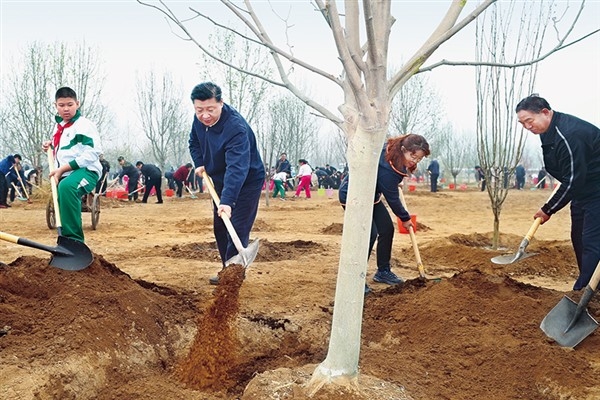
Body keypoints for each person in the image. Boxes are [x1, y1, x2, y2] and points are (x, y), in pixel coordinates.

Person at [515, 94, 600, 291]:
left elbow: (573, 180)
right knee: (578, 237)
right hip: (584, 191)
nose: (527, 127)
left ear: (545, 112)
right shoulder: (548, 131)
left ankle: (584, 293)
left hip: (596, 189)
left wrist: (548, 209)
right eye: (522, 123)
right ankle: (592, 287)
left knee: (591, 241)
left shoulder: (569, 134)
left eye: (529, 121)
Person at [188, 82, 264, 285]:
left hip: (246, 181)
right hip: (220, 180)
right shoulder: (199, 122)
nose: (205, 115)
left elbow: (237, 167)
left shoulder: (235, 128)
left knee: (236, 226)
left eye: (210, 109)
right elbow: (194, 142)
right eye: (199, 110)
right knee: (221, 228)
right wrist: (200, 163)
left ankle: (233, 277)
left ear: (221, 103)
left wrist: (228, 201)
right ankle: (227, 269)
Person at [339, 134, 431, 293]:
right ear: (403, 149)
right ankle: (355, 278)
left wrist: (395, 182)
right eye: (413, 156)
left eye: (419, 159)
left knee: (386, 229)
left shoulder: (392, 151)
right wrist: (405, 218)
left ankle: (383, 272)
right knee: (370, 234)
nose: (414, 161)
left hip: (370, 197)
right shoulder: (388, 168)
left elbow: (386, 181)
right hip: (353, 196)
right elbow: (393, 199)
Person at [41, 87, 102, 242]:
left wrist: (62, 169)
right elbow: (67, 151)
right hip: (66, 173)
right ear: (55, 105)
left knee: (67, 187)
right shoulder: (58, 127)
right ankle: (66, 242)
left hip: (86, 170)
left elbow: (92, 153)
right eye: (61, 105)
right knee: (61, 194)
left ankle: (74, 242)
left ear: (78, 104)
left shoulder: (84, 125)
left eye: (70, 104)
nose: (66, 109)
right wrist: (51, 147)